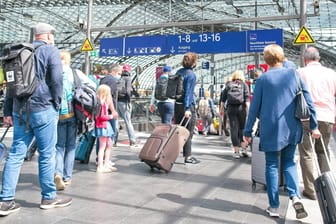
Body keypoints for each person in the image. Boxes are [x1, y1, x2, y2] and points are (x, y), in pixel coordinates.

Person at [0, 22, 72, 216]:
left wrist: (8, 111)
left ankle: (6, 201)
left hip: (19, 110)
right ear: (47, 36)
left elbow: (11, 86)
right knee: (47, 154)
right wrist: (56, 102)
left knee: (16, 154)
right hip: (43, 109)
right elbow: (57, 80)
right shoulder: (50, 51)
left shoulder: (18, 52)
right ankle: (48, 197)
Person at [242, 44, 321, 219]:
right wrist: (314, 125)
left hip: (271, 128)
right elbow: (308, 101)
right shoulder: (294, 75)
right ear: (282, 56)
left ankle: (274, 206)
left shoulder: (263, 79)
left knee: (271, 165)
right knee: (289, 162)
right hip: (292, 127)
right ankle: (294, 196)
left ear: (266, 59)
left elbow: (254, 108)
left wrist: (247, 131)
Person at [297, 46, 336, 200]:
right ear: (318, 58)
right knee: (323, 151)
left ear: (305, 59)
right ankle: (327, 186)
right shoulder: (332, 74)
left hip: (305, 117)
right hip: (326, 116)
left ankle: (311, 190)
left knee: (306, 153)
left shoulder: (300, 73)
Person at [54, 50, 95, 191]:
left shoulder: (52, 72)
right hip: (72, 114)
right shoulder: (75, 73)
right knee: (70, 146)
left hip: (57, 114)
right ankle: (67, 176)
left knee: (59, 146)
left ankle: (57, 172)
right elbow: (93, 86)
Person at [174, 52, 200, 164]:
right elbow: (189, 93)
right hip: (187, 107)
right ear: (193, 62)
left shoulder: (178, 72)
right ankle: (188, 157)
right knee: (188, 132)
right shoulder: (191, 75)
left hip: (177, 105)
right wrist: (188, 108)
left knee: (179, 131)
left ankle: (172, 153)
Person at [220, 70, 250, 159]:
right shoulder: (244, 85)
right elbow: (247, 99)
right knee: (242, 128)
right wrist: (249, 111)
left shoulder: (228, 85)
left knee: (233, 129)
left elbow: (223, 99)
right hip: (242, 109)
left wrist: (221, 110)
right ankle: (244, 149)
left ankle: (236, 152)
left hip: (231, 109)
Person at [95, 84, 118, 173]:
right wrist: (111, 116)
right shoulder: (102, 104)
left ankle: (105, 164)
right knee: (103, 146)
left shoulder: (98, 102)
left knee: (107, 144)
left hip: (102, 126)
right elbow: (102, 117)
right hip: (104, 126)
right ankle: (101, 166)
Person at [116, 64, 138, 147]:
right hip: (124, 102)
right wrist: (129, 101)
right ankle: (132, 140)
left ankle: (114, 141)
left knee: (116, 122)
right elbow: (128, 91)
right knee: (128, 122)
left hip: (116, 102)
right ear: (129, 70)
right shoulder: (128, 78)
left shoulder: (118, 78)